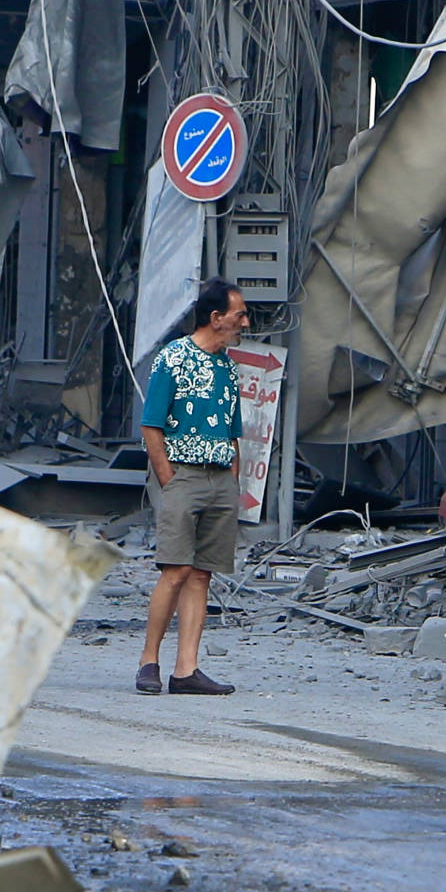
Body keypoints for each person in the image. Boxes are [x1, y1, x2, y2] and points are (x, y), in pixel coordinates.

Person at [136, 279, 250, 696]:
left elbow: (234, 428)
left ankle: (187, 669)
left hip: (220, 477)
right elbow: (151, 424)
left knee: (201, 573)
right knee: (175, 569)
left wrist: (233, 478)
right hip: (182, 473)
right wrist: (168, 476)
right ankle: (149, 661)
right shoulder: (174, 357)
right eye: (238, 314)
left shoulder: (228, 366)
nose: (244, 321)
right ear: (215, 318)